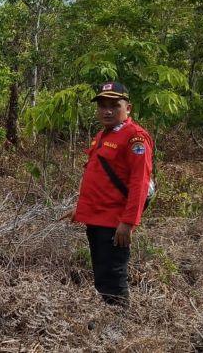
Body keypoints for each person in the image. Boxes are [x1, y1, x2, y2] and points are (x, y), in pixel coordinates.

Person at [61, 81, 154, 308]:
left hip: (114, 224)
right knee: (102, 275)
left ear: (128, 108)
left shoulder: (135, 138)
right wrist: (80, 210)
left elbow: (139, 183)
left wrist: (128, 222)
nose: (107, 110)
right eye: (102, 105)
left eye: (114, 105)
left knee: (113, 278)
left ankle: (119, 328)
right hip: (97, 219)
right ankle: (109, 324)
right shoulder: (104, 134)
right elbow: (101, 179)